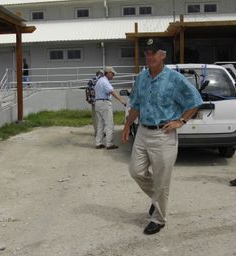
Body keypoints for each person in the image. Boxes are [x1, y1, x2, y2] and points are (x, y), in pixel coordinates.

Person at [121, 38, 203, 235]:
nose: (149, 57)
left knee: (161, 180)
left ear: (163, 55)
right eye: (147, 53)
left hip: (163, 135)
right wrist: (126, 126)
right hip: (142, 132)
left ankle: (159, 218)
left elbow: (195, 101)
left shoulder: (175, 79)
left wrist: (181, 122)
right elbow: (136, 105)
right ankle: (156, 198)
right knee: (136, 171)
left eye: (153, 52)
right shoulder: (141, 78)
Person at [94, 66, 127, 150]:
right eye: (112, 74)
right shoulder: (105, 82)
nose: (113, 76)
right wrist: (122, 100)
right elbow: (112, 92)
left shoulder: (99, 81)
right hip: (105, 103)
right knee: (109, 124)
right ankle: (109, 144)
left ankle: (98, 143)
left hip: (97, 103)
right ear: (108, 73)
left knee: (100, 124)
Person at [86, 69, 104, 136]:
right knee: (102, 117)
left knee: (95, 117)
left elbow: (87, 89)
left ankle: (97, 132)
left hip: (94, 101)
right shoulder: (103, 80)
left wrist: (88, 98)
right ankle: (101, 132)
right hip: (102, 101)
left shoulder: (91, 80)